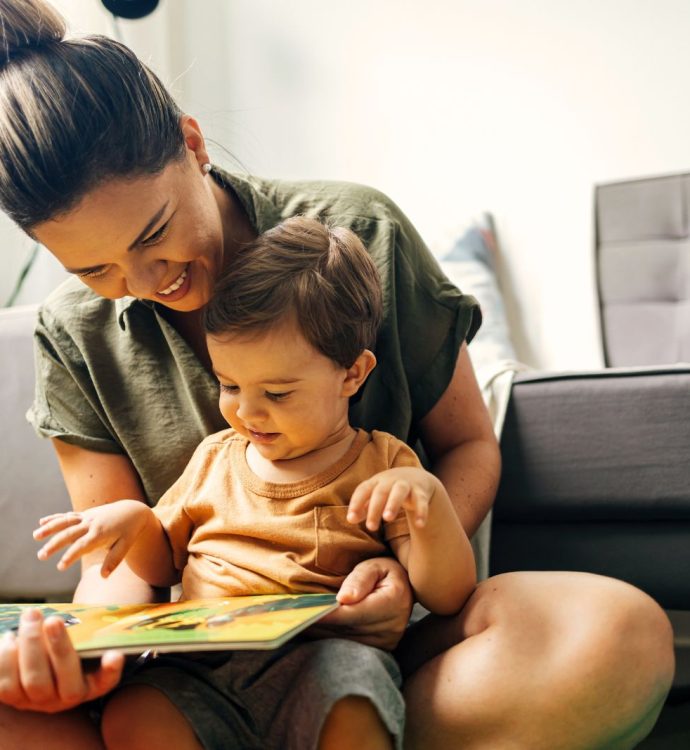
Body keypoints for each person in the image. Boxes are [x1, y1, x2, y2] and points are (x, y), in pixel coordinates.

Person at [0, 1, 674, 748]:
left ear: (192, 145)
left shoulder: (359, 234)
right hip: (196, 671)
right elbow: (122, 562)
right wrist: (92, 653)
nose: (144, 279)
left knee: (618, 636)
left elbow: (467, 445)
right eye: (93, 268)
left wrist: (405, 575)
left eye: (154, 234)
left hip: (368, 642)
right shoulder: (71, 332)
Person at [32, 216, 477, 750]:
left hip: (322, 659)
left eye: (279, 393)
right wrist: (133, 524)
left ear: (352, 375)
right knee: (135, 712)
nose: (247, 412)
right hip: (202, 664)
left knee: (354, 703)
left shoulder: (384, 465)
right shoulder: (215, 458)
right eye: (229, 384)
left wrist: (429, 503)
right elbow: (165, 564)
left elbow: (447, 595)